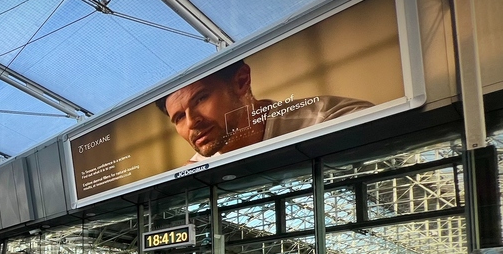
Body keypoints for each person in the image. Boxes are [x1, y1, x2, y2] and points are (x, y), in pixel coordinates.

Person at [155, 60, 373, 164]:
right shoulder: (194, 172)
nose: (192, 122)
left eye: (201, 99)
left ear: (241, 81)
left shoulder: (329, 120)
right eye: (179, 117)